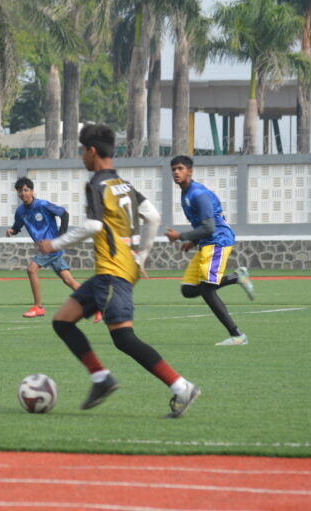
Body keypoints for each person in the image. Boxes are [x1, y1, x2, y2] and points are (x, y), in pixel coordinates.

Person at [38, 123, 200, 418]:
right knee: (62, 321)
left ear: (92, 151)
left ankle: (182, 387)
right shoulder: (123, 184)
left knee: (124, 338)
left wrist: (54, 244)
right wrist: (142, 257)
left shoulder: (97, 184)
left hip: (113, 273)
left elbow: (93, 225)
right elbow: (152, 216)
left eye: (82, 151)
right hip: (113, 272)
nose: (81, 157)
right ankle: (101, 378)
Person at [165, 155, 255, 347]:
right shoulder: (185, 193)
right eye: (173, 169)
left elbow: (210, 227)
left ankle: (237, 335)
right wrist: (193, 241)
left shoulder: (198, 194)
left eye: (180, 168)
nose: (176, 172)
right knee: (188, 290)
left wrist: (181, 236)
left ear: (190, 171)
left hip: (218, 240)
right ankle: (236, 278)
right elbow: (202, 226)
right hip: (206, 242)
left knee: (207, 289)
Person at [6, 177, 89, 319]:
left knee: (31, 269)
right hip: (45, 249)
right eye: (20, 191)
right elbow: (17, 226)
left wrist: (61, 238)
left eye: (26, 190)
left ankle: (38, 307)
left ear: (32, 191)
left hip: (51, 247)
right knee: (68, 280)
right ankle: (94, 303)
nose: (23, 193)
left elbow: (64, 214)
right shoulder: (20, 211)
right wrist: (12, 231)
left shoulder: (42, 205)